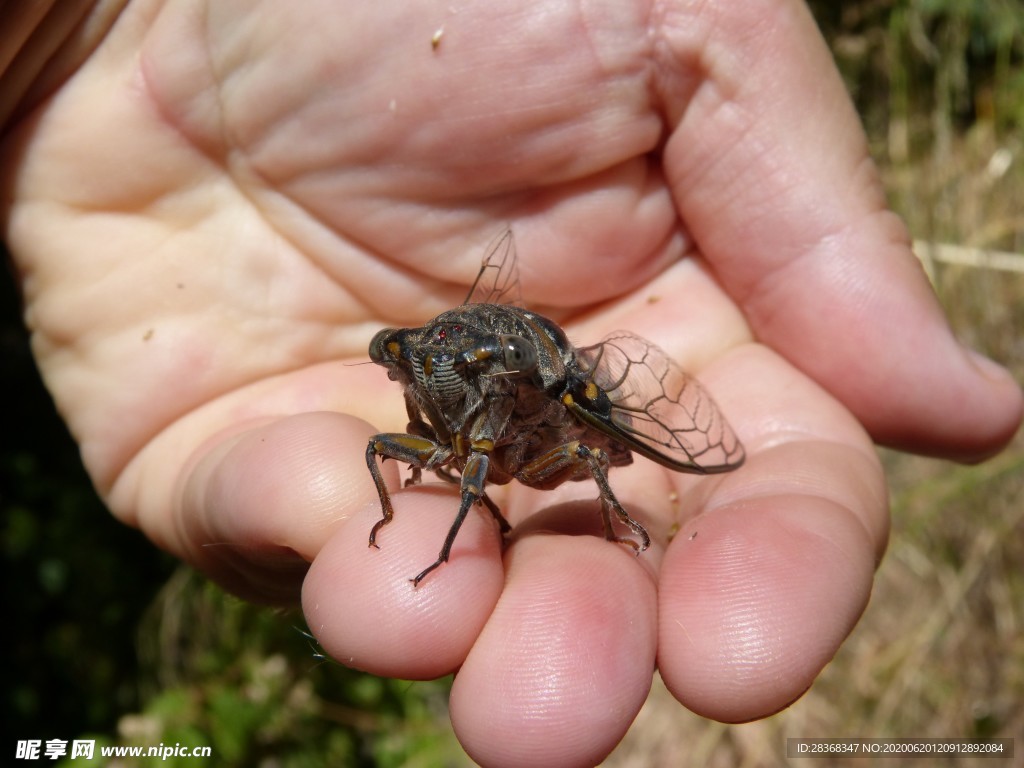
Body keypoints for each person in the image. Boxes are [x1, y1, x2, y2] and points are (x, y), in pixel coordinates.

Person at [2, 2, 1020, 766]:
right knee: (374, 454)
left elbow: (504, 456)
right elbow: (412, 431)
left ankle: (588, 510)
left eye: (429, 363)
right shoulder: (425, 382)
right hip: (490, 429)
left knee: (564, 466)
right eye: (405, 364)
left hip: (566, 419)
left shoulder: (515, 394)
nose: (416, 376)